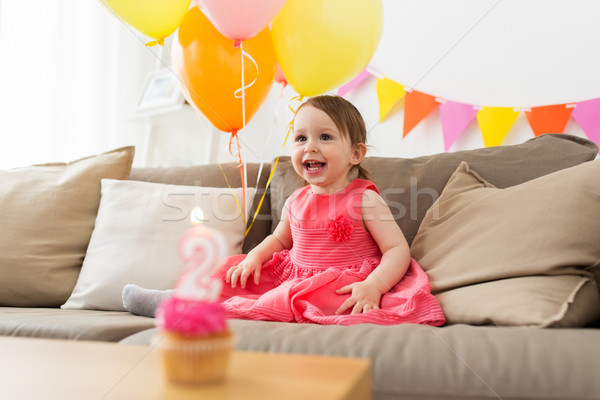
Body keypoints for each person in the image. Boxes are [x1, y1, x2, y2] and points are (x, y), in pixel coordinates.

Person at [123, 94, 445, 326]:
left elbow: (396, 250)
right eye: (301, 138)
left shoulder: (364, 199)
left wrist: (373, 285)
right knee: (229, 275)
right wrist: (255, 257)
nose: (310, 147)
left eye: (325, 137)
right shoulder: (296, 200)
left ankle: (193, 308)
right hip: (289, 274)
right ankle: (176, 298)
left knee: (302, 299)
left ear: (355, 154)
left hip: (339, 282)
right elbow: (279, 241)